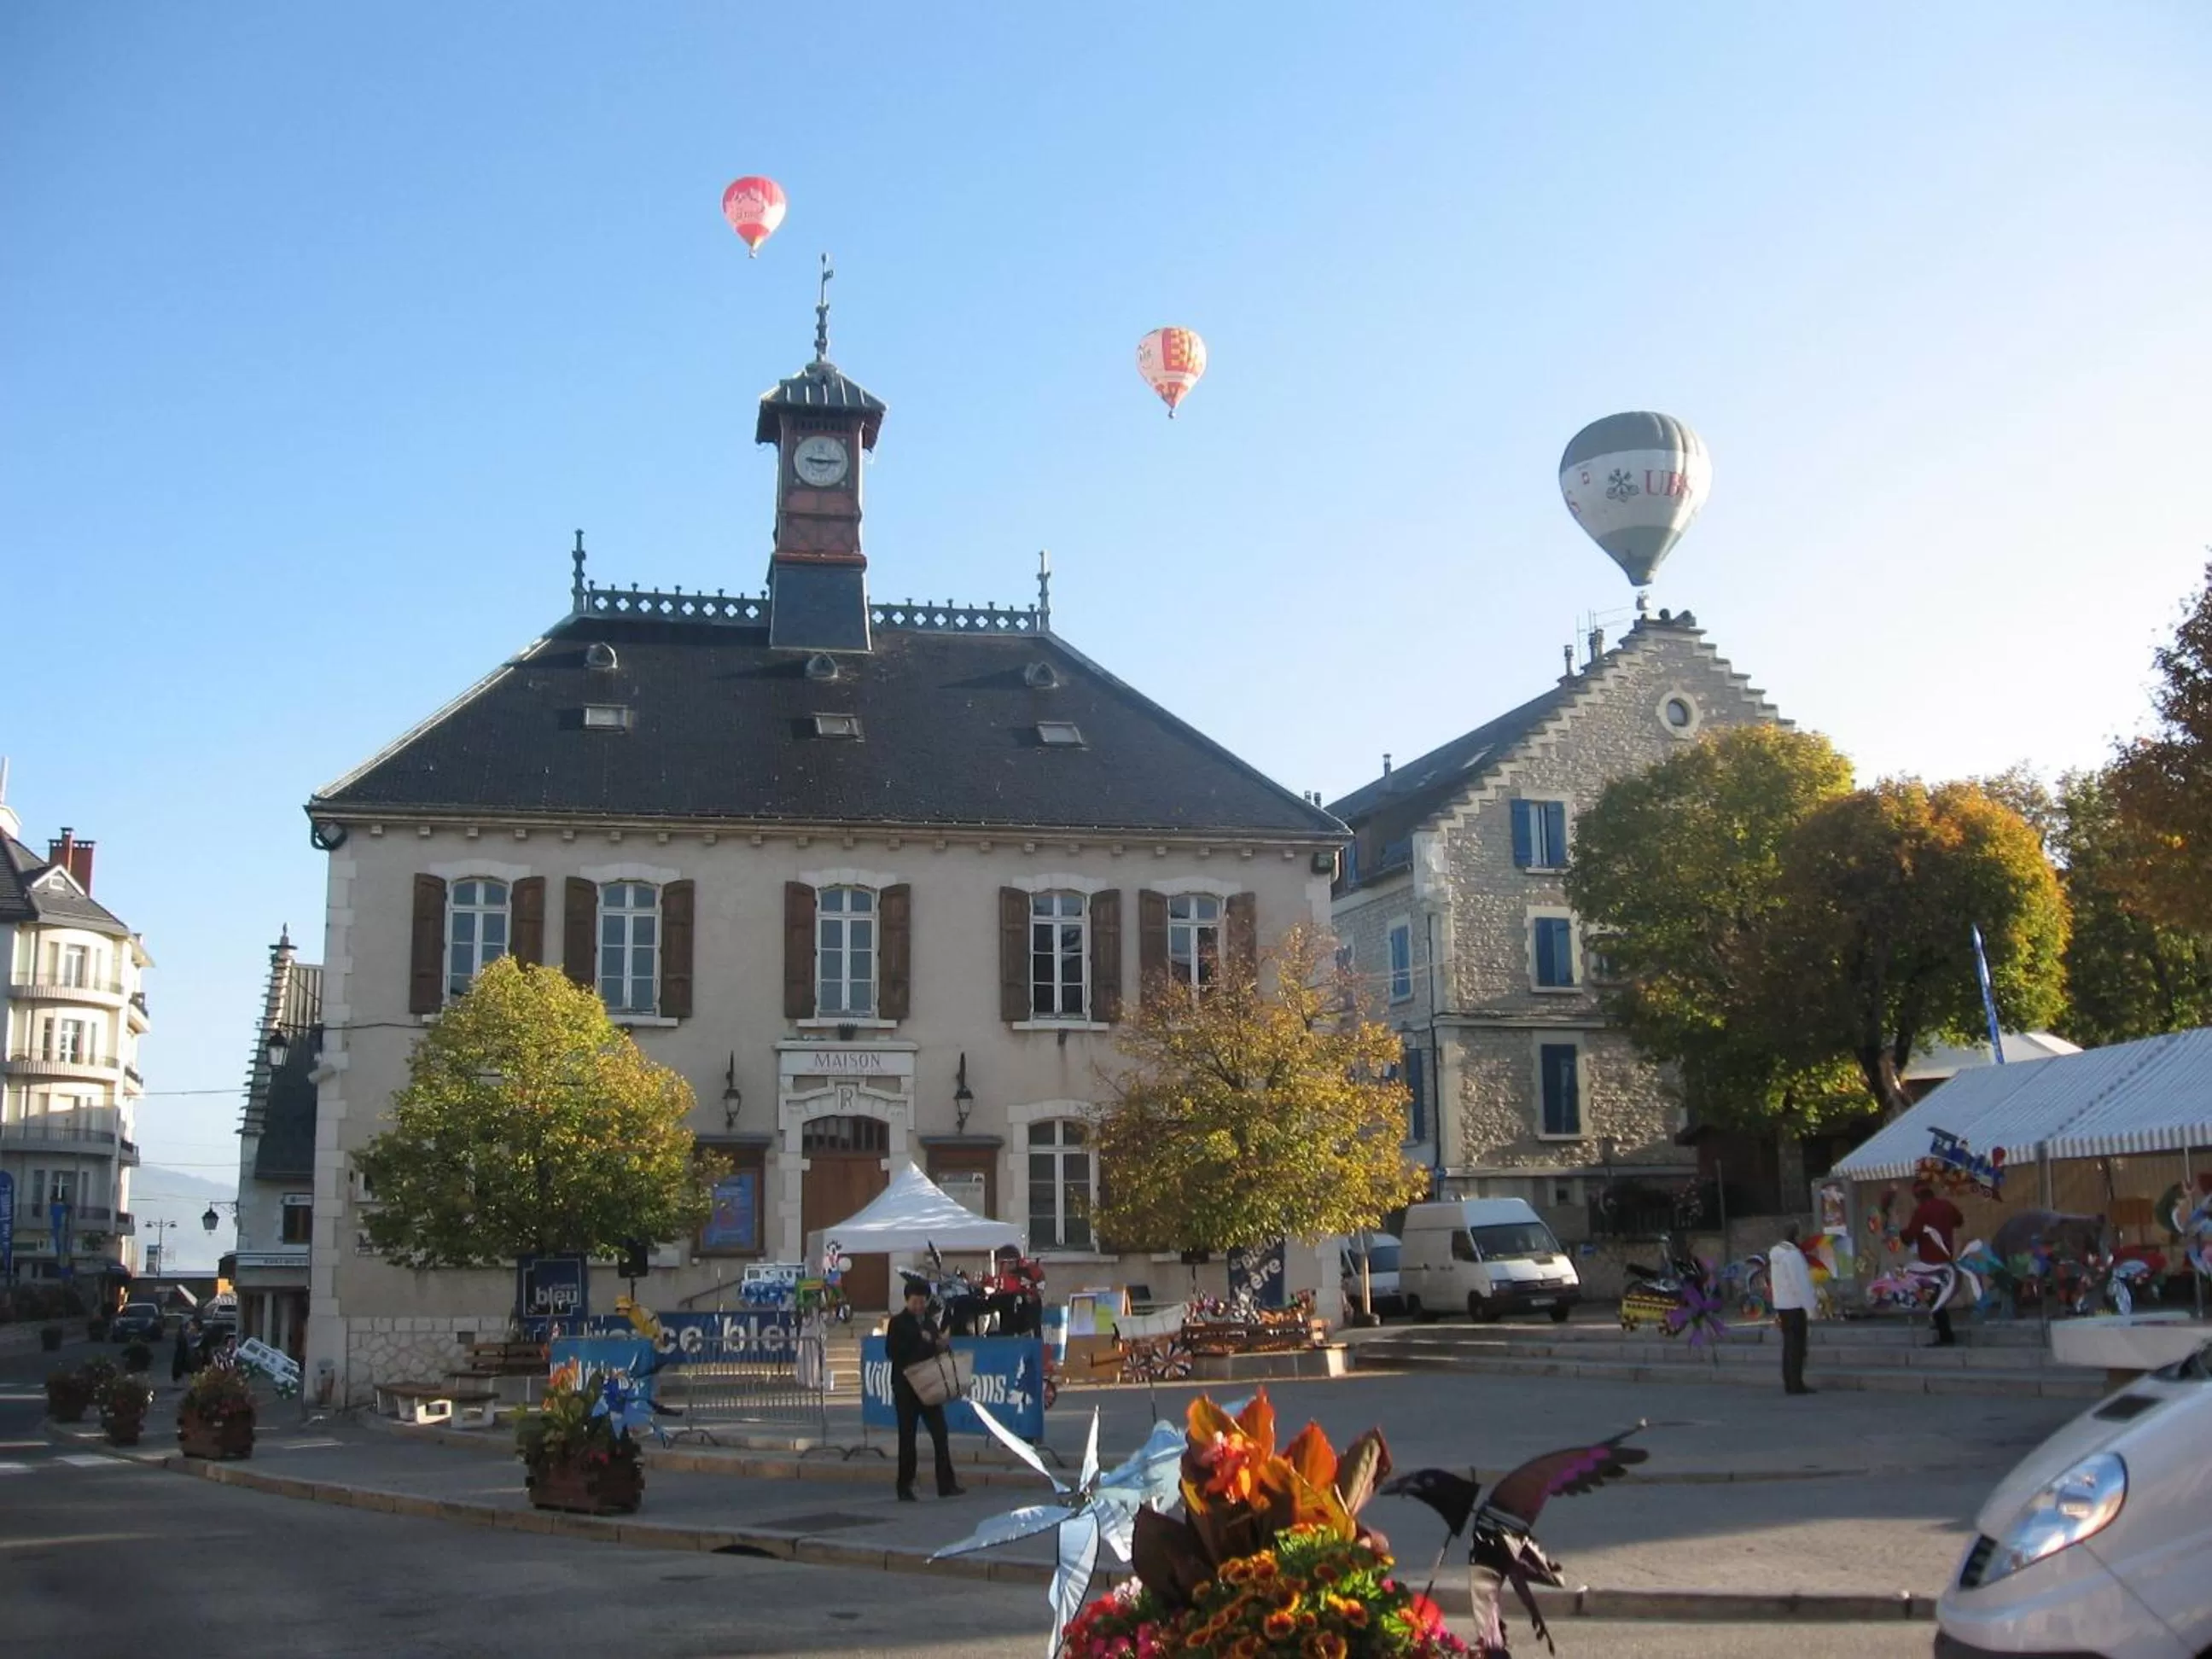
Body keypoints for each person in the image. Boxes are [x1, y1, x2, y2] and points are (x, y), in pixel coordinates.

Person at [885, 1274, 963, 1501]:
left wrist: (940, 1343)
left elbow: (934, 1349)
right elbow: (893, 1353)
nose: (919, 1306)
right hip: (906, 1388)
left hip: (929, 1386)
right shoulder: (898, 1323)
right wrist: (921, 1341)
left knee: (940, 1433)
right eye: (915, 1302)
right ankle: (905, 1486)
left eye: (922, 1301)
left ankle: (946, 1484)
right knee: (907, 1438)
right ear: (907, 1301)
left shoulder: (929, 1322)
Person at [1905, 1180, 1966, 1346]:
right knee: (1938, 1293)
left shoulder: (1922, 1211)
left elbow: (1910, 1234)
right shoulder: (1946, 1206)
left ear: (1918, 1197)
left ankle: (1946, 1335)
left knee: (1934, 1297)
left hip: (1929, 1261)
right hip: (1945, 1257)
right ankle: (1939, 1325)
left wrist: (1901, 1234)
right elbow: (1960, 1221)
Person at [1768, 1223, 1817, 1396]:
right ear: (1795, 1237)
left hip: (1782, 1304)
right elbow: (1801, 1283)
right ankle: (1797, 1383)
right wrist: (1811, 1308)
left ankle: (1789, 1381)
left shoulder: (1776, 1254)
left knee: (1788, 1345)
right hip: (1795, 1305)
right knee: (1797, 1346)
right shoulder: (1793, 1256)